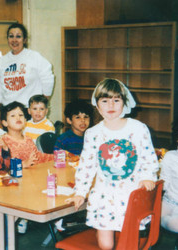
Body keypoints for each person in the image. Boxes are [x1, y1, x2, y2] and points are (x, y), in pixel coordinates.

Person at [66, 78, 159, 250]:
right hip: (104, 196)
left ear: (124, 102)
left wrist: (148, 176)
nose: (111, 105)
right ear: (97, 104)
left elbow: (148, 156)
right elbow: (86, 165)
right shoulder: (93, 133)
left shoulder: (138, 128)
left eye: (116, 100)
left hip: (131, 195)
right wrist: (80, 192)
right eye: (105, 100)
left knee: (128, 244)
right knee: (106, 245)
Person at [0, 101, 54, 234]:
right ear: (4, 122)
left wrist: (57, 157)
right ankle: (19, 217)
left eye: (21, 115)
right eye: (13, 116)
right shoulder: (3, 141)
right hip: (14, 184)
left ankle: (54, 218)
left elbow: (38, 157)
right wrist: (23, 164)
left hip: (33, 180)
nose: (18, 118)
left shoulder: (27, 139)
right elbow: (3, 166)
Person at [0, 23, 55, 123]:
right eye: (11, 36)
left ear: (24, 39)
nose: (14, 40)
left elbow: (48, 78)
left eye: (18, 36)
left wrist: (43, 103)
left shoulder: (34, 57)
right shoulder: (2, 61)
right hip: (8, 111)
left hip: (29, 111)